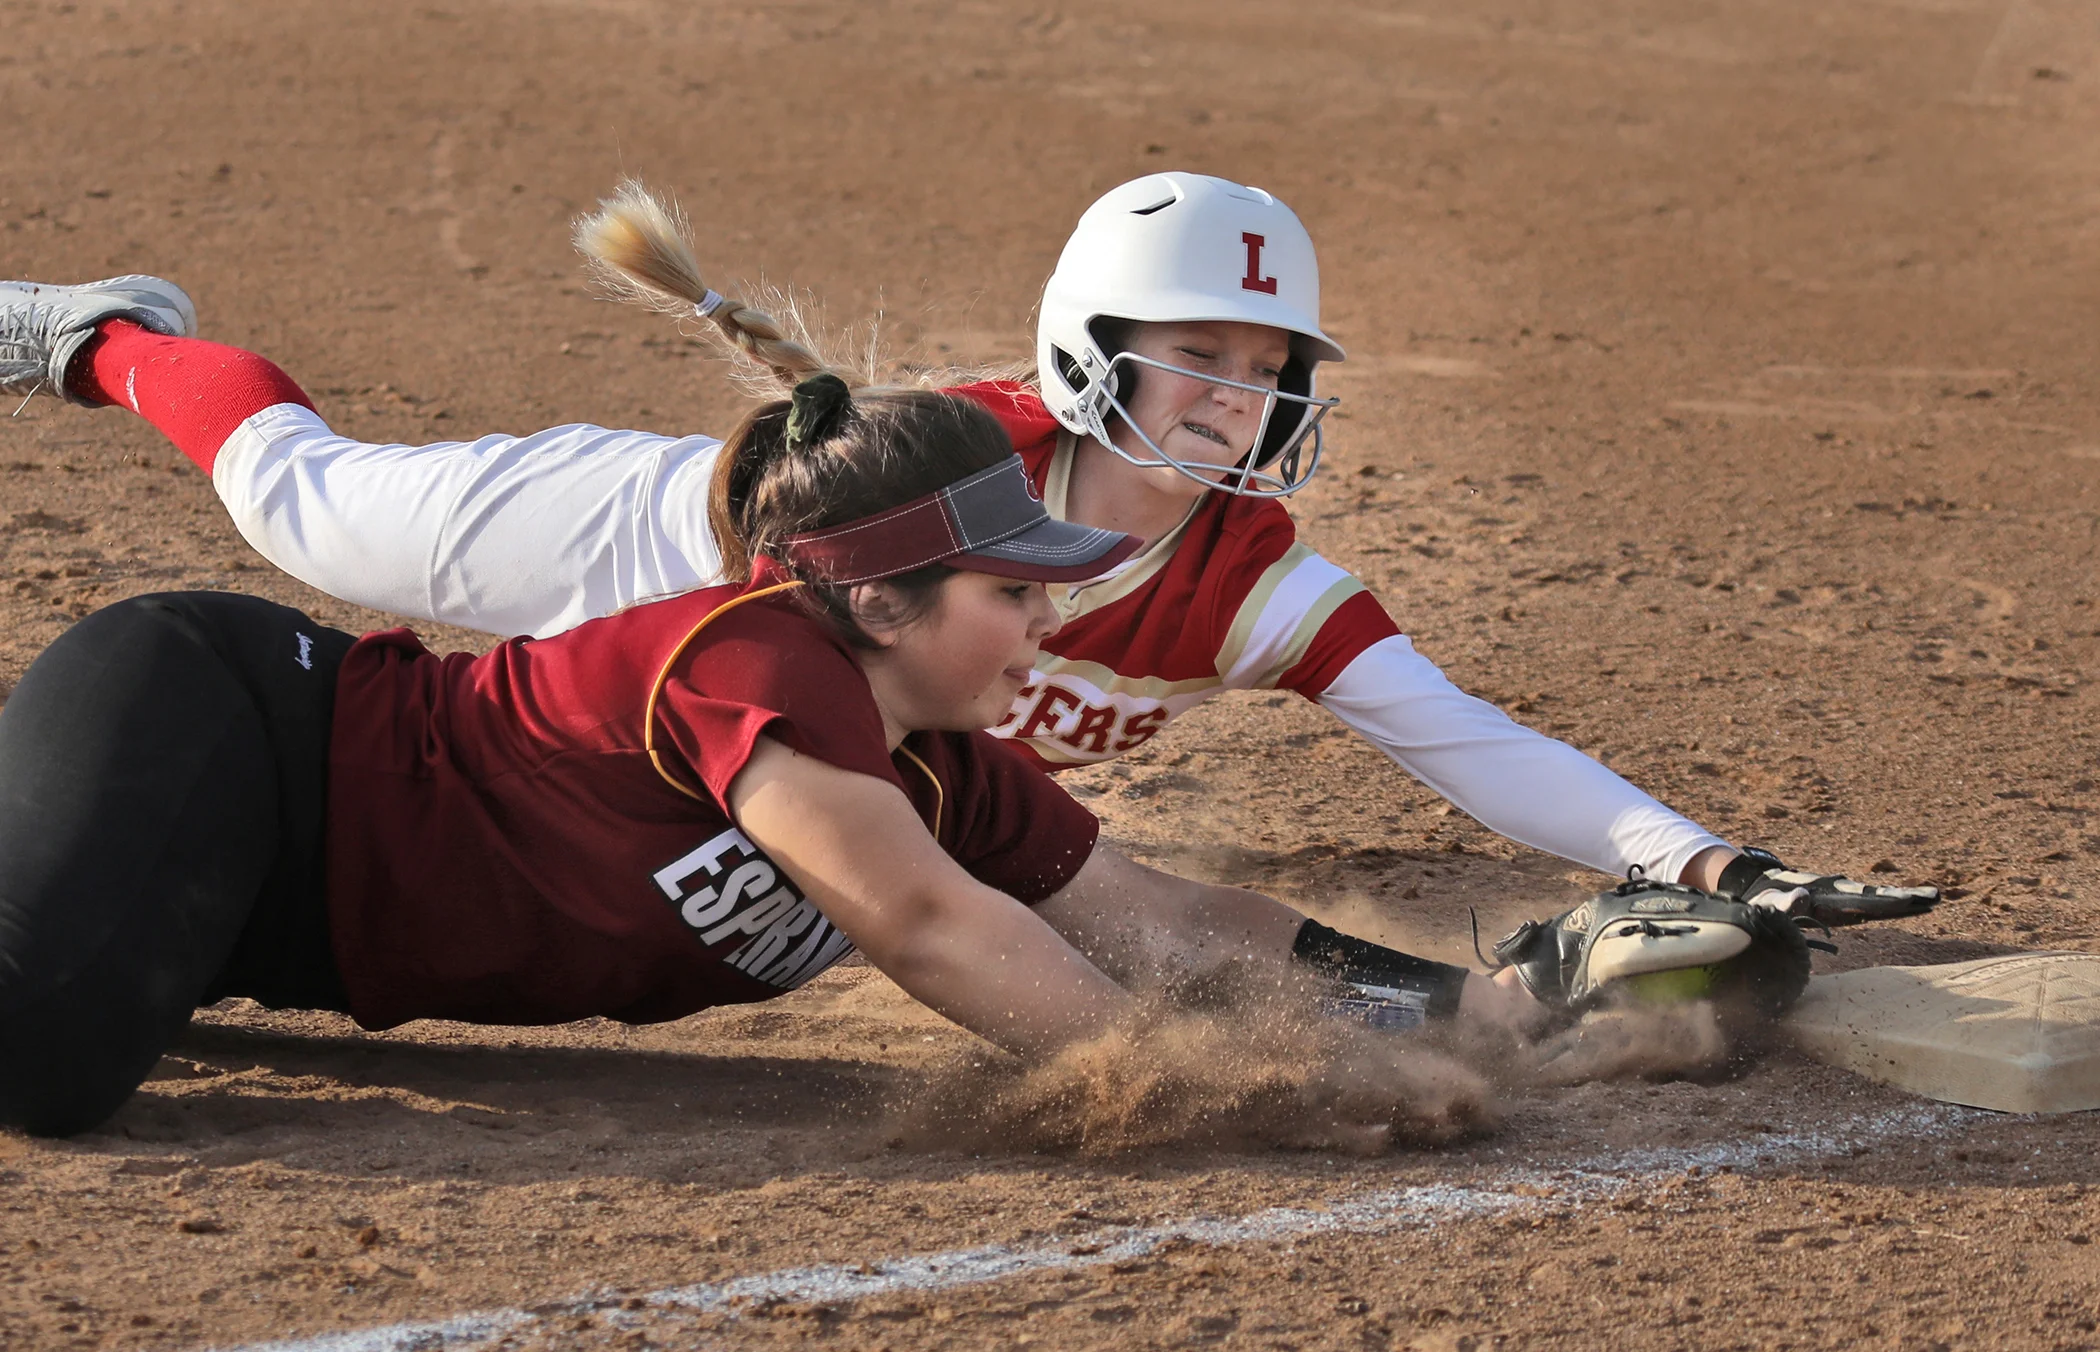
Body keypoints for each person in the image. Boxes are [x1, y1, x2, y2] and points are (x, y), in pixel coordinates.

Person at [0, 173, 1938, 928]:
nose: (1235, 400)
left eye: (1268, 368)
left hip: (752, 719)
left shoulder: (1247, 579)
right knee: (305, 509)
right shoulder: (941, 468)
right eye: (1199, 356)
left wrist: (1698, 853)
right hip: (635, 548)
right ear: (1094, 353)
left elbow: (1456, 730)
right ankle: (109, 335)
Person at [0, 337, 1552, 1139]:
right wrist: (1234, 1091)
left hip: (276, 920)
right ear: (878, 602)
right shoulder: (759, 664)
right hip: (223, 733)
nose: (1046, 630)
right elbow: (933, 929)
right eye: (1012, 593)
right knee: (39, 1055)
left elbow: (1175, 922)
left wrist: (1472, 1010)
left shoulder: (935, 758)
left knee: (98, 1010)